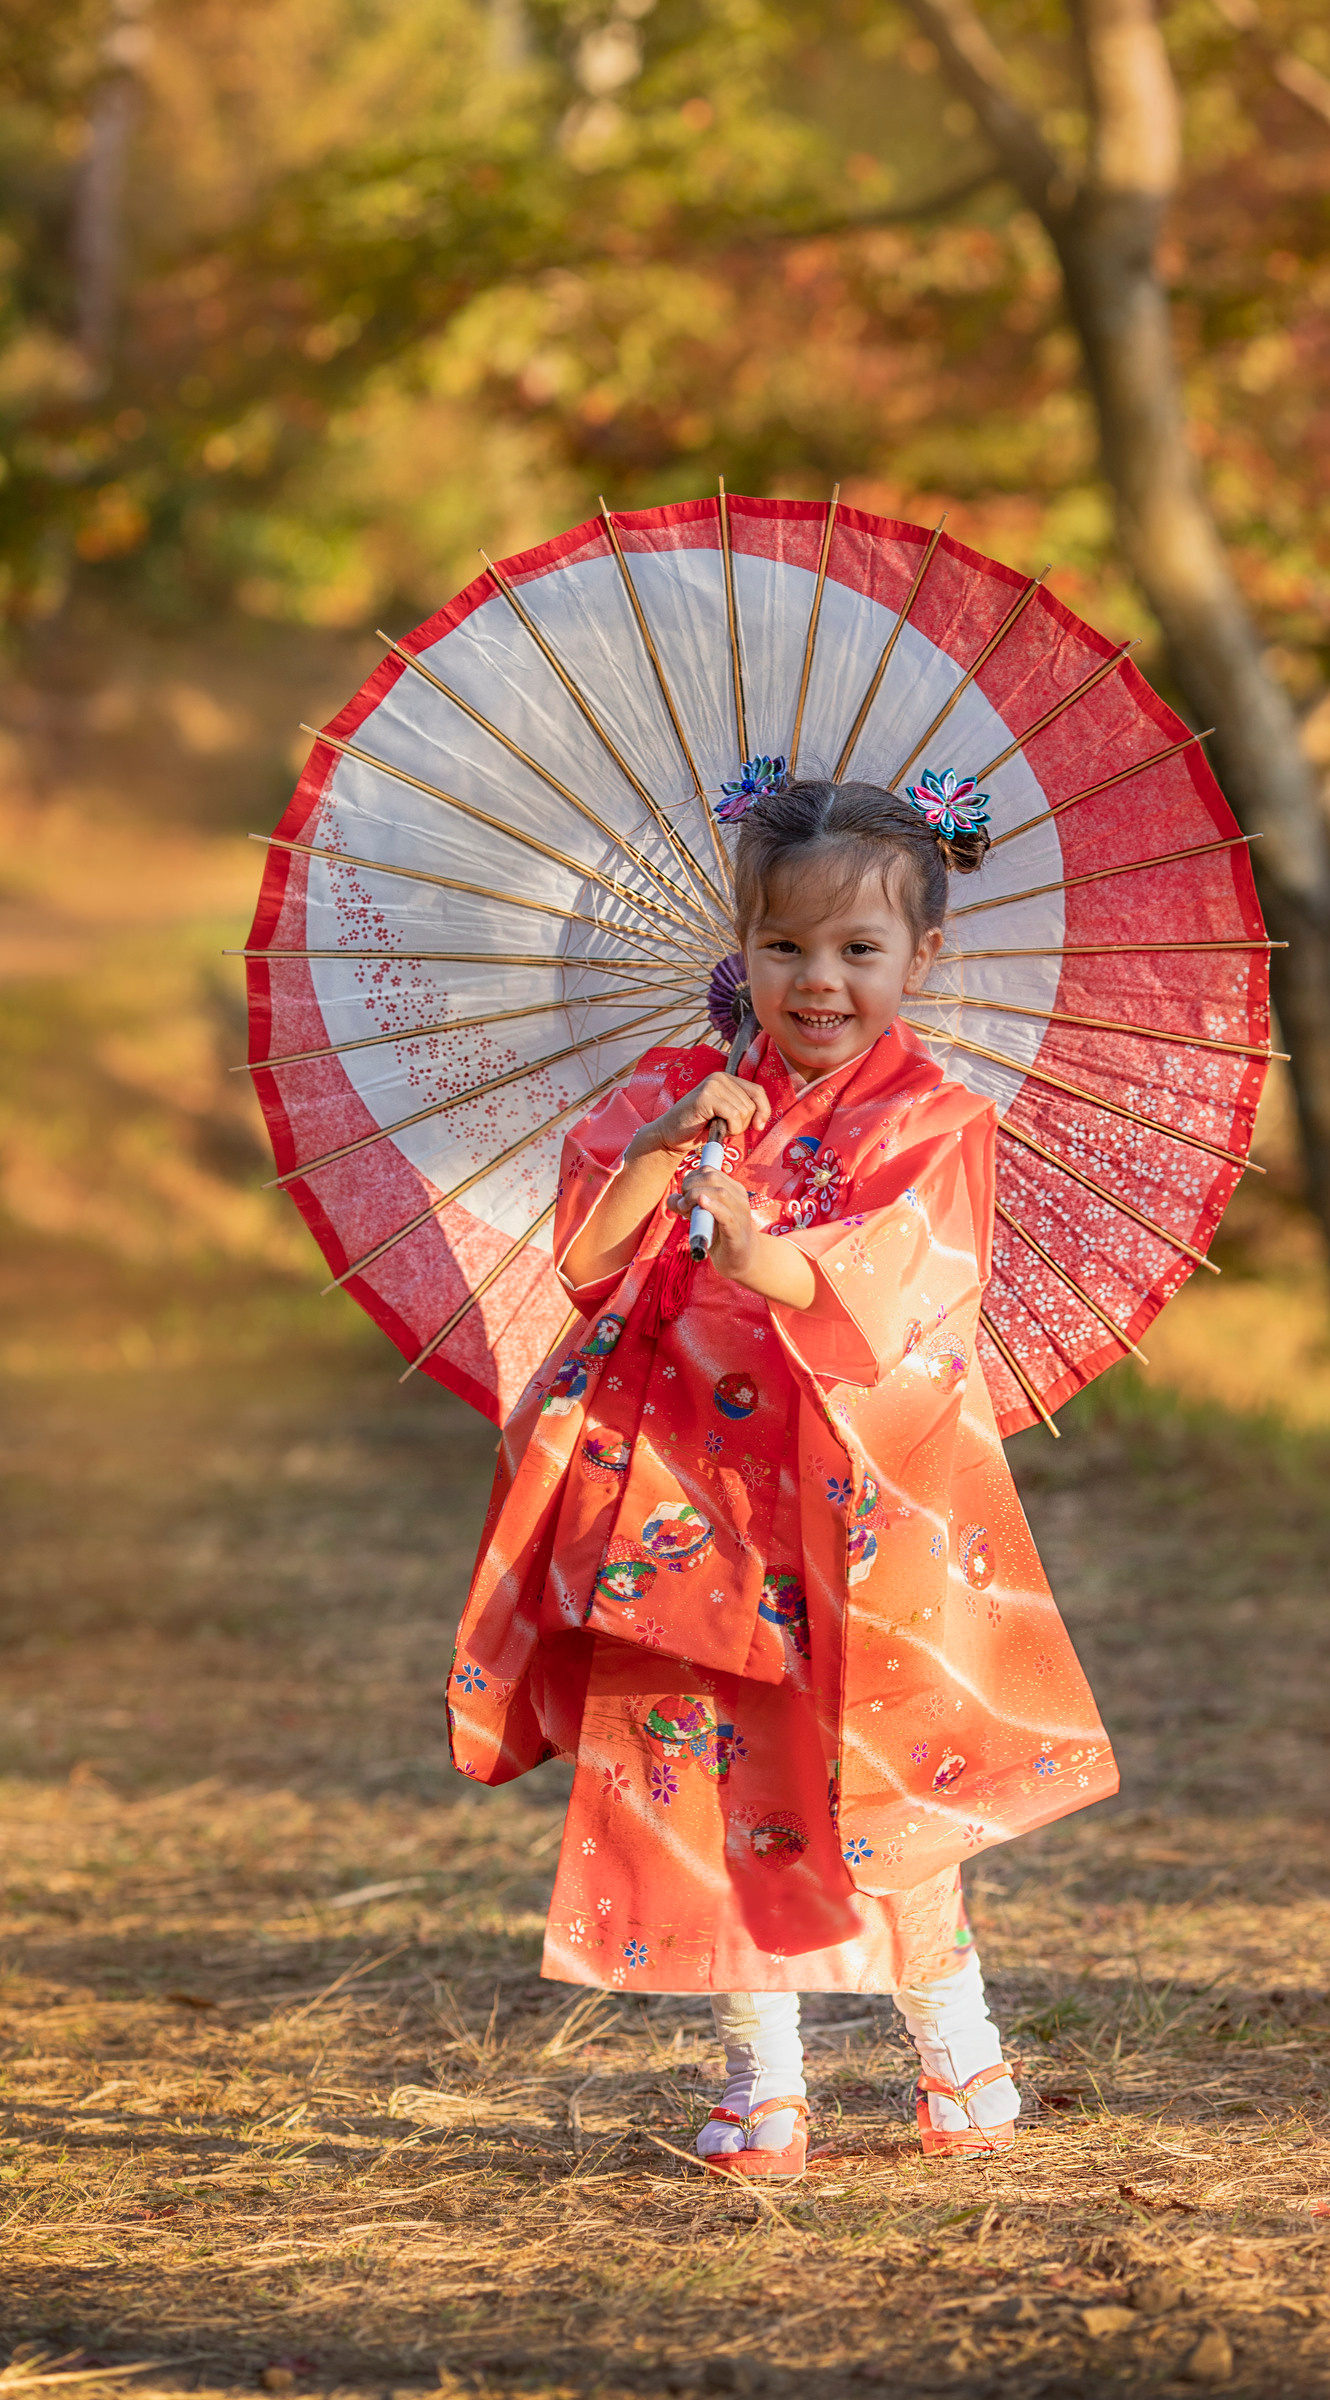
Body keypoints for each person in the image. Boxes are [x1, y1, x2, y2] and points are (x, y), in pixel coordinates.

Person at [446, 776, 1117, 2178]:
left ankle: (958, 2056)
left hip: (851, 1498)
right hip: (684, 1490)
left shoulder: (932, 1121)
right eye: (786, 947)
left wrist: (758, 1254)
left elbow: (904, 1294)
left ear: (919, 960)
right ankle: (763, 2078)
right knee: (698, 1770)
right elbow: (586, 1264)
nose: (819, 982)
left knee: (877, 1777)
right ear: (740, 945)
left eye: (859, 951)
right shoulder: (674, 1092)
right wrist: (655, 1153)